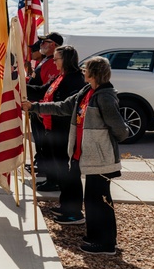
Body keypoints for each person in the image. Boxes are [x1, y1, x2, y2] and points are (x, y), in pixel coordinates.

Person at [24, 56, 128, 255]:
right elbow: (62, 106)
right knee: (92, 200)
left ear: (94, 72)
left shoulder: (105, 97)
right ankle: (95, 237)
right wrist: (34, 106)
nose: (83, 71)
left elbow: (121, 130)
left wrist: (101, 143)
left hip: (101, 160)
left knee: (100, 201)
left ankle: (106, 243)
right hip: (86, 157)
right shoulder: (86, 91)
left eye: (86, 68)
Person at [27, 44, 86, 211]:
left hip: (65, 132)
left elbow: (65, 107)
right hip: (52, 130)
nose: (54, 62)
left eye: (56, 59)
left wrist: (36, 107)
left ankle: (72, 209)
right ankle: (65, 204)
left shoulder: (75, 79)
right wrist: (20, 87)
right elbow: (41, 91)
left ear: (66, 59)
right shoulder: (60, 77)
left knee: (67, 172)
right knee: (60, 170)